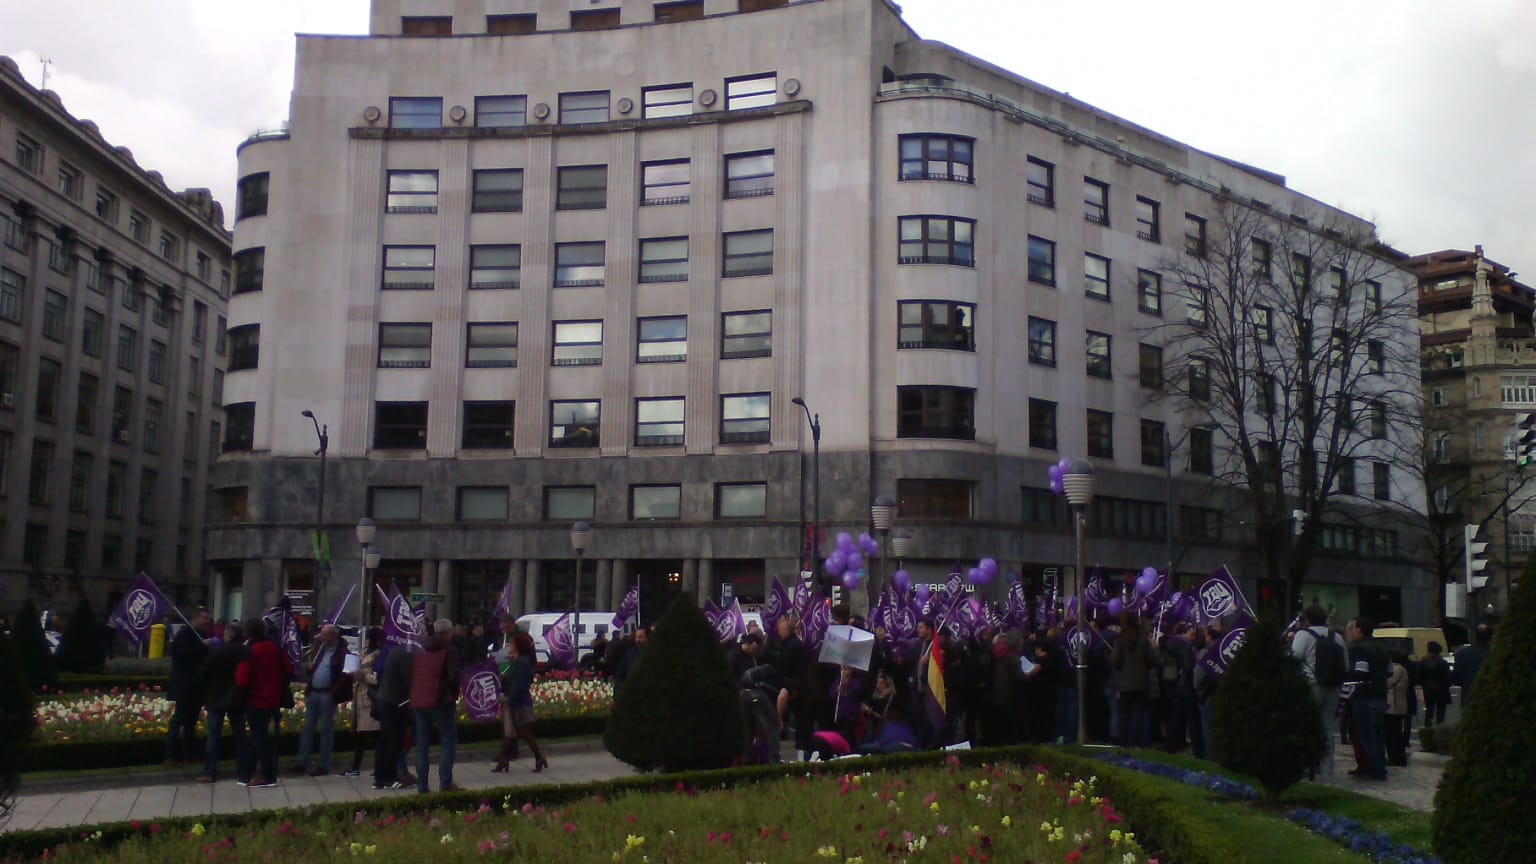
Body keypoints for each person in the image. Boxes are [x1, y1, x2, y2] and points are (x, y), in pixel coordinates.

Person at [1289, 605, 1347, 776]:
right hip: (1333, 686)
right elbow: (1346, 664)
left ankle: (1306, 768)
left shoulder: (1303, 635)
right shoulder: (1336, 636)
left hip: (1311, 685)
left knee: (1306, 726)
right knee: (1327, 728)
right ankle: (1326, 770)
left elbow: (1294, 658)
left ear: (1306, 620)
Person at [235, 617, 290, 788]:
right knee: (257, 736)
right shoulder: (274, 646)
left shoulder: (250, 650)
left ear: (247, 632)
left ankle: (268, 775)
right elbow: (288, 669)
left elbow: (242, 678)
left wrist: (241, 698)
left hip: (255, 699)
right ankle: (246, 773)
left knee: (259, 738)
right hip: (273, 699)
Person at [291, 623, 352, 777]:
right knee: (308, 729)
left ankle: (323, 764)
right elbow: (313, 670)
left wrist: (333, 693)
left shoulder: (344, 652)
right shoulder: (319, 649)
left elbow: (347, 676)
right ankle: (301, 762)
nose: (322, 638)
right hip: (314, 693)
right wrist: (310, 669)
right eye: (322, 635)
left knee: (326, 731)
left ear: (333, 635)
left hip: (327, 694)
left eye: (325, 635)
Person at [411, 618, 464, 793]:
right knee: (448, 740)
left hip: (419, 699)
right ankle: (445, 783)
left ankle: (422, 785)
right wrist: (452, 695)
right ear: (449, 632)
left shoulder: (421, 648)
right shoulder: (449, 650)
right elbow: (453, 676)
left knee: (422, 744)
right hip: (440, 700)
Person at [196, 622, 248, 783]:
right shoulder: (245, 652)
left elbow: (203, 673)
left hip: (215, 697)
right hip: (237, 698)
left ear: (228, 636)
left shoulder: (216, 651)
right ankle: (243, 770)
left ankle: (210, 771)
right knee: (240, 735)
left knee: (213, 735)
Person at [493, 632, 547, 773]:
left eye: (512, 642)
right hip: (514, 699)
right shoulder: (517, 661)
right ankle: (504, 761)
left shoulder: (521, 662)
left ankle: (538, 757)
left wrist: (511, 699)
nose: (509, 645)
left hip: (518, 701)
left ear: (518, 645)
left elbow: (520, 683)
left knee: (521, 731)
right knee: (511, 732)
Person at [165, 609, 212, 766]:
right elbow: (180, 655)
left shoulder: (201, 634)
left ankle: (189, 754)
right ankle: (170, 755)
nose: (207, 621)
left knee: (191, 721)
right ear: (195, 618)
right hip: (184, 683)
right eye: (204, 618)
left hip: (197, 685)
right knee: (179, 719)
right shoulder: (184, 634)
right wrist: (202, 646)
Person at [1346, 616, 1390, 781]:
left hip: (1364, 695)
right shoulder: (1381, 647)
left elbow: (1361, 672)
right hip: (1381, 693)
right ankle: (1380, 767)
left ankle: (1373, 769)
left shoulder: (1358, 648)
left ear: (1358, 629)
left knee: (1367, 734)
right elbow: (1389, 671)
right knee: (1379, 734)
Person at [373, 638, 414, 790]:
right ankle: (389, 778)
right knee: (394, 741)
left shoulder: (394, 650)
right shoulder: (404, 653)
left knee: (384, 740)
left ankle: (379, 778)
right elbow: (409, 678)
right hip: (395, 701)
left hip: (385, 698)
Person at [1111, 616, 1158, 748]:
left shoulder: (1120, 641)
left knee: (1124, 715)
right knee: (1137, 716)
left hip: (1124, 684)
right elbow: (1153, 659)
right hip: (1141, 683)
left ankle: (1124, 742)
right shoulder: (1143, 641)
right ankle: (1134, 743)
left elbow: (1115, 661)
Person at [342, 627, 383, 778]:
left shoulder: (378, 655)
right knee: (364, 734)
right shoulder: (366, 653)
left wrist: (361, 674)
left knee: (371, 734)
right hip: (361, 696)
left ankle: (364, 767)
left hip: (370, 697)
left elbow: (377, 677)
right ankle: (359, 766)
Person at [1162, 623, 1204, 758]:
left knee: (1175, 718)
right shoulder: (1186, 646)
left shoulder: (1170, 644)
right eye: (1192, 634)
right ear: (1185, 633)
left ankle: (1171, 747)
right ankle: (1198, 750)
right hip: (1185, 686)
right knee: (1193, 720)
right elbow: (1188, 667)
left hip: (1173, 685)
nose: (1193, 637)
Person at [1452, 624, 1493, 704]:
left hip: (1468, 694)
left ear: (1475, 637)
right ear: (1491, 638)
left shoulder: (1462, 652)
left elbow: (1456, 675)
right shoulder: (1495, 653)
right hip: (1490, 695)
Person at [1384, 649, 1411, 767]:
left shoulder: (1396, 669)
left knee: (1392, 734)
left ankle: (1396, 757)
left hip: (1393, 704)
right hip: (1398, 703)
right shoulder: (1402, 668)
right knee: (1395, 732)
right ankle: (1397, 757)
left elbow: (1388, 683)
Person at [1419, 641, 1452, 727]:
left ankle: (1428, 729)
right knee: (1440, 713)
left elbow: (1419, 676)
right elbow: (1448, 678)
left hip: (1428, 689)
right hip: (1442, 690)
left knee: (1429, 711)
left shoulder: (1423, 662)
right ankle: (1439, 730)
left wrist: (1424, 685)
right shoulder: (1443, 663)